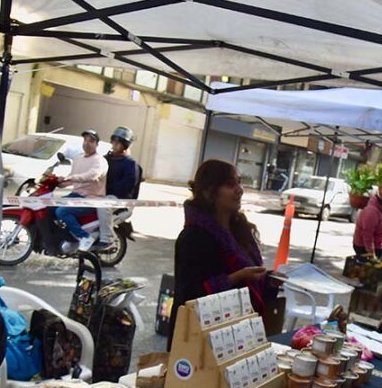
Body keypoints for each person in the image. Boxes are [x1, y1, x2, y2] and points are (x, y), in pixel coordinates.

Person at [168, 159, 280, 350]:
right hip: (202, 342)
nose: (239, 189)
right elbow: (189, 295)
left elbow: (251, 286)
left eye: (239, 182)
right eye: (230, 184)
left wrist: (268, 280)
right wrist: (237, 277)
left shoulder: (241, 230)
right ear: (209, 192)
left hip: (239, 335)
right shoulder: (194, 237)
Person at [54, 129, 107, 252]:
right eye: (85, 140)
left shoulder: (100, 161)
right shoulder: (78, 158)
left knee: (62, 212)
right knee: (50, 207)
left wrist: (70, 178)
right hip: (74, 195)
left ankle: (84, 237)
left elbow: (91, 175)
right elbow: (73, 179)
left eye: (91, 141)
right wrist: (58, 182)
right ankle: (64, 237)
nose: (87, 143)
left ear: (97, 144)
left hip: (90, 200)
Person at [97, 126, 142, 248]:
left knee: (103, 205)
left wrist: (107, 188)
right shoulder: (105, 159)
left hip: (118, 199)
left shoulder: (130, 164)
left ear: (125, 145)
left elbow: (127, 185)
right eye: (114, 142)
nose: (115, 145)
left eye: (119, 143)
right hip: (101, 195)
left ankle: (107, 237)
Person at [353, 191, 382, 258]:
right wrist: (371, 254)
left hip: (378, 247)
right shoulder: (371, 211)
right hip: (364, 248)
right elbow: (367, 235)